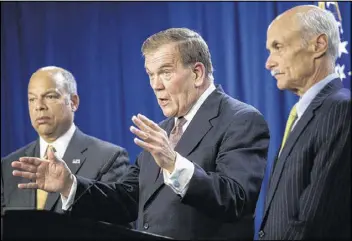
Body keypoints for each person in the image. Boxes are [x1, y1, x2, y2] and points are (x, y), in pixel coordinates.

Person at [12, 28, 270, 239]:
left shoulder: (241, 120)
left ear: (197, 73)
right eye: (150, 74)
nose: (156, 85)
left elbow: (236, 199)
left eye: (166, 72)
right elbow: (126, 200)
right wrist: (70, 185)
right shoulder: (164, 130)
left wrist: (174, 163)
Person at [257, 5, 351, 240]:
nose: (268, 63)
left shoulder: (341, 109)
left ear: (318, 45)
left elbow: (314, 220)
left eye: (278, 47)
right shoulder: (303, 113)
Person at [1, 66, 129, 214]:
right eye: (32, 99)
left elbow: (120, 223)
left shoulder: (109, 158)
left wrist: (69, 187)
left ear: (73, 102)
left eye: (50, 96)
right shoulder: (9, 166)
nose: (39, 106)